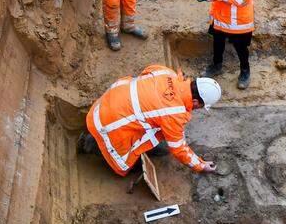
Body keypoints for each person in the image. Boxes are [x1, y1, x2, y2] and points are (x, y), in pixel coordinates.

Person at [78, 65, 222, 176]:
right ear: (196, 102)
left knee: (156, 128)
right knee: (132, 163)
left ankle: (94, 138)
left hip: (105, 103)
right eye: (201, 106)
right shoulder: (174, 113)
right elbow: (178, 149)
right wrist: (201, 165)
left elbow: (145, 73)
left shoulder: (167, 73)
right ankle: (91, 144)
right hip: (108, 124)